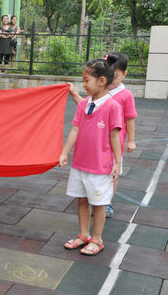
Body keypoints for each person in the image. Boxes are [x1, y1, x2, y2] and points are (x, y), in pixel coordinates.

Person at [59, 57, 123, 256]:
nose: (84, 85)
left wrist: (117, 162)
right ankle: (84, 234)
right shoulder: (84, 104)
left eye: (87, 81)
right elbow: (75, 131)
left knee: (99, 204)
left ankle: (97, 239)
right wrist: (64, 152)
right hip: (80, 164)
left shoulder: (112, 106)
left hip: (99, 166)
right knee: (81, 200)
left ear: (102, 81)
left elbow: (115, 136)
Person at [68, 52, 136, 218]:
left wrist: (131, 140)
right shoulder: (98, 92)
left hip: (114, 144)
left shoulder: (125, 95)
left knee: (112, 175)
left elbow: (130, 119)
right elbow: (86, 109)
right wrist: (74, 94)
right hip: (97, 145)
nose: (112, 80)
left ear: (124, 74)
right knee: (95, 175)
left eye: (116, 76)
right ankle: (96, 200)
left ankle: (107, 202)